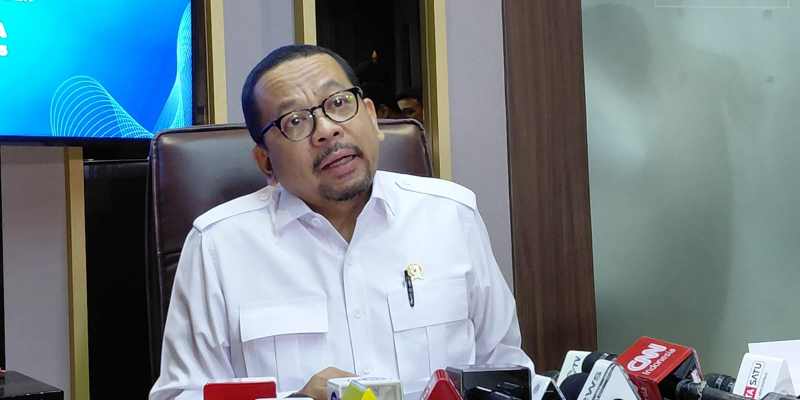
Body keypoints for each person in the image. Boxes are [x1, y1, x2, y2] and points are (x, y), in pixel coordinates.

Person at [149, 44, 534, 400]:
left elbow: (507, 372)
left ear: (372, 117)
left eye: (338, 103)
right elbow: (180, 395)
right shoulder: (218, 245)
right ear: (266, 163)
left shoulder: (451, 215)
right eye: (295, 121)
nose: (327, 129)